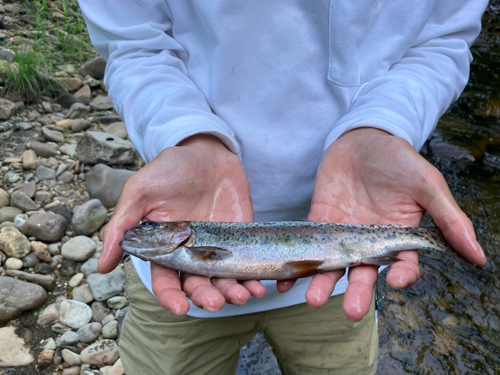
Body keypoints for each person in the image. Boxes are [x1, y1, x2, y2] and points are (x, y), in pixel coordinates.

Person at [78, 1, 488, 374]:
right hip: (184, 293)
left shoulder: (195, 246)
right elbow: (134, 45)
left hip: (340, 276)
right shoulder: (188, 245)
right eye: (149, 231)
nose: (142, 233)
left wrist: (384, 125)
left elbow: (441, 43)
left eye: (148, 231)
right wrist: (187, 135)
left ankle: (419, 239)